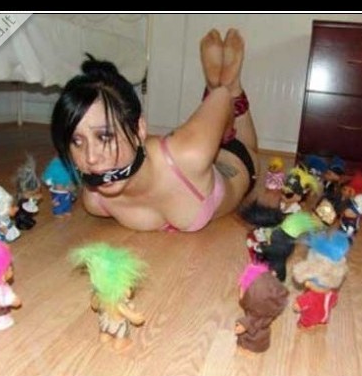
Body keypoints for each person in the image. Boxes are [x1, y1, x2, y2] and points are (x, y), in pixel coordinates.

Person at [51, 28, 260, 232]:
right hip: (187, 155)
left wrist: (225, 135)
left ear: (139, 129)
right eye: (77, 141)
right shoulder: (96, 201)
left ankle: (231, 84)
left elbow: (223, 98)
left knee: (227, 94)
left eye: (104, 136)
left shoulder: (190, 153)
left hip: (236, 159)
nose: (90, 158)